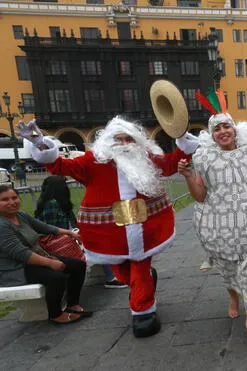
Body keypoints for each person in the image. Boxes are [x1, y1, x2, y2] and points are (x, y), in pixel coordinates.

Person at [18, 116, 199, 337]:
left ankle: (143, 313)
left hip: (145, 227)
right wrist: (40, 143)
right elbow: (59, 166)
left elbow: (171, 164)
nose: (123, 144)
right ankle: (143, 284)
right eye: (118, 139)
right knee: (123, 272)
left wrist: (183, 140)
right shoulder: (92, 161)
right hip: (108, 232)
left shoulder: (147, 158)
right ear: (108, 141)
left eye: (128, 139)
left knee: (139, 267)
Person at [178, 107, 247, 342]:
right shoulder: (203, 158)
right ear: (211, 135)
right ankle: (233, 297)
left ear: (235, 129)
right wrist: (188, 176)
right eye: (216, 129)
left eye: (226, 126)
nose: (222, 132)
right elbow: (199, 196)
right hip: (218, 226)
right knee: (228, 269)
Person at [0, 185, 89, 324]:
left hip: (34, 259)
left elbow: (44, 227)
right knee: (56, 277)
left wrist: (69, 232)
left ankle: (72, 304)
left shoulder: (20, 215)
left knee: (78, 265)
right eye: (5, 199)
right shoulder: (2, 226)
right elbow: (21, 253)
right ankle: (55, 314)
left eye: (14, 197)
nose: (12, 202)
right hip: (15, 268)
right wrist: (51, 263)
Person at [34, 175, 127, 289]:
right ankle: (111, 278)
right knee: (100, 244)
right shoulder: (52, 204)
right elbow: (51, 229)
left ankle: (112, 276)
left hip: (64, 239)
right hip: (58, 243)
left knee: (100, 240)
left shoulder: (55, 202)